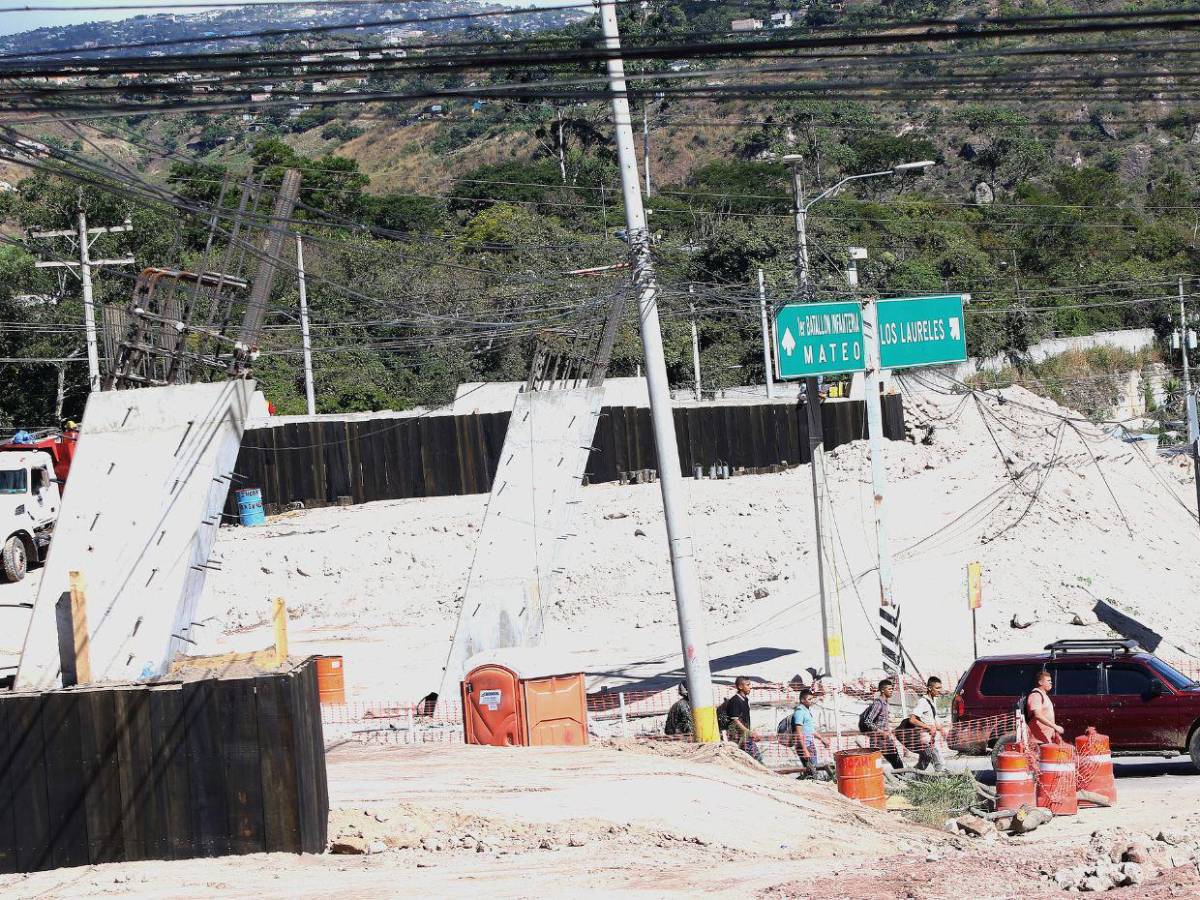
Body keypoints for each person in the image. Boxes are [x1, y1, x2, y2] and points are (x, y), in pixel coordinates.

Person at [898, 676, 946, 773]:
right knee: (938, 761)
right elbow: (912, 719)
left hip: (930, 738)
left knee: (925, 761)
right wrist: (929, 727)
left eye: (940, 688)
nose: (939, 690)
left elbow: (932, 720)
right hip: (924, 738)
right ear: (930, 688)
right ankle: (942, 778)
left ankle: (911, 776)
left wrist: (942, 730)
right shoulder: (923, 702)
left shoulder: (931, 702)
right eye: (937, 688)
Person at [859, 678, 904, 770]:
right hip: (878, 740)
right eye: (889, 689)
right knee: (894, 764)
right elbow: (868, 721)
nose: (891, 691)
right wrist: (881, 732)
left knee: (896, 763)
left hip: (885, 740)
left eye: (892, 689)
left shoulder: (885, 703)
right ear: (883, 690)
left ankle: (899, 777)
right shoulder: (878, 703)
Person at [1024, 669, 1064, 747]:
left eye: (1051, 681)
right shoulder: (1036, 695)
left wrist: (1053, 732)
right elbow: (1038, 715)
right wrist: (1055, 726)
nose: (1051, 682)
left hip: (1044, 740)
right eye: (1048, 681)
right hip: (1037, 741)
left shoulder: (1044, 695)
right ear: (1040, 682)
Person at [724, 676, 758, 757]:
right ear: (740, 687)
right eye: (748, 685)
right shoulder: (735, 700)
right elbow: (735, 720)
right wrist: (748, 732)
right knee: (756, 756)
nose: (750, 687)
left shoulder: (745, 699)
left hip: (744, 735)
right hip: (738, 736)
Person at [791, 688, 819, 776]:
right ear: (802, 700)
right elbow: (799, 732)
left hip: (809, 744)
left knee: (813, 769)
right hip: (804, 745)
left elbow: (810, 729)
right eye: (809, 699)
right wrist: (804, 750)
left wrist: (822, 739)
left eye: (812, 699)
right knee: (812, 771)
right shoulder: (799, 712)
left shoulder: (806, 711)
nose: (811, 701)